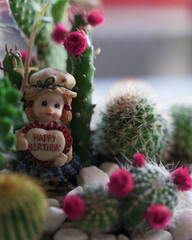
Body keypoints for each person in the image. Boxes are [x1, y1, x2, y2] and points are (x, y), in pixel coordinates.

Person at [15, 68, 82, 182]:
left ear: (64, 109)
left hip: (55, 164)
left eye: (56, 106)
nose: (50, 109)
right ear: (32, 105)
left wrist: (65, 156)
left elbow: (67, 144)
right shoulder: (30, 129)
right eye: (44, 103)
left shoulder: (60, 131)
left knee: (58, 180)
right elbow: (18, 135)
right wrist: (21, 141)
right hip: (34, 163)